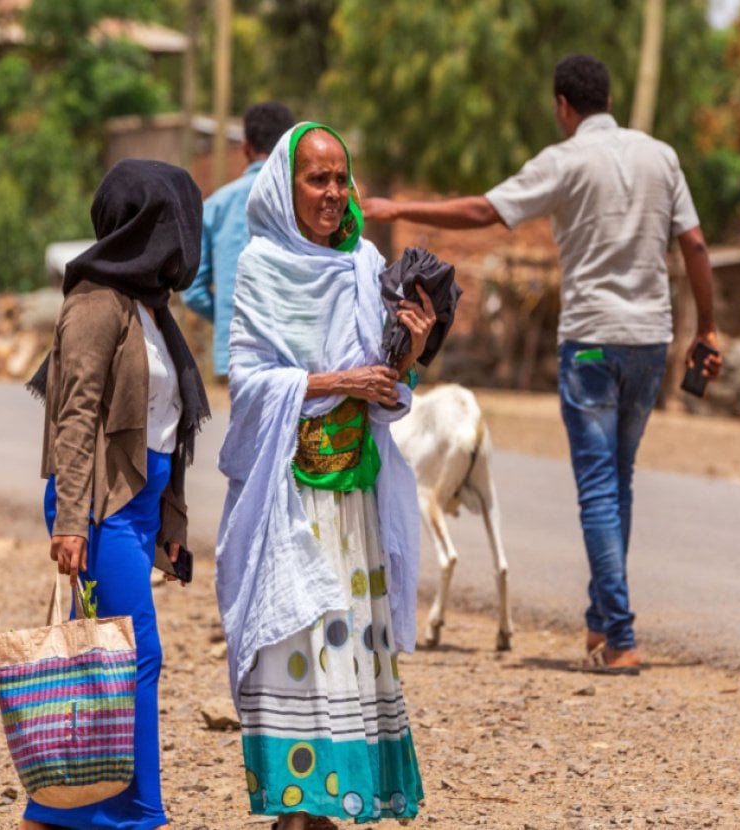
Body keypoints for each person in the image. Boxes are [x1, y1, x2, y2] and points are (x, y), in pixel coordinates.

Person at [362, 54, 723, 675]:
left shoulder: (565, 161)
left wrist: (398, 212)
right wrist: (708, 327)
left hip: (589, 343)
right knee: (620, 479)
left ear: (563, 106)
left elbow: (486, 212)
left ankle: (622, 637)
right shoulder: (661, 156)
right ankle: (600, 620)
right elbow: (693, 242)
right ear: (606, 99)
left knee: (599, 489)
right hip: (649, 343)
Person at [215, 123, 435, 829]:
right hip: (291, 498)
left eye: (342, 179)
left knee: (345, 641)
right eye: (318, 179)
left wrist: (409, 353)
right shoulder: (259, 266)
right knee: (297, 642)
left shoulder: (365, 264)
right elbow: (247, 384)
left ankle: (331, 804)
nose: (334, 194)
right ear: (287, 185)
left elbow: (387, 388)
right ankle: (296, 806)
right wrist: (339, 379)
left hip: (355, 502)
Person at [23, 159, 210, 830]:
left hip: (134, 510)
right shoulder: (96, 303)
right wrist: (71, 521)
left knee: (111, 663)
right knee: (128, 660)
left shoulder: (151, 308)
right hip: (98, 511)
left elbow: (168, 425)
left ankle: (54, 814)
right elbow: (75, 418)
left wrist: (173, 521)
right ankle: (135, 818)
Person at [183, 100, 295, 380]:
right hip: (296, 350)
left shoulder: (217, 205)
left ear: (245, 146)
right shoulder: (306, 202)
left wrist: (228, 320)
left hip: (238, 353)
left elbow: (192, 290)